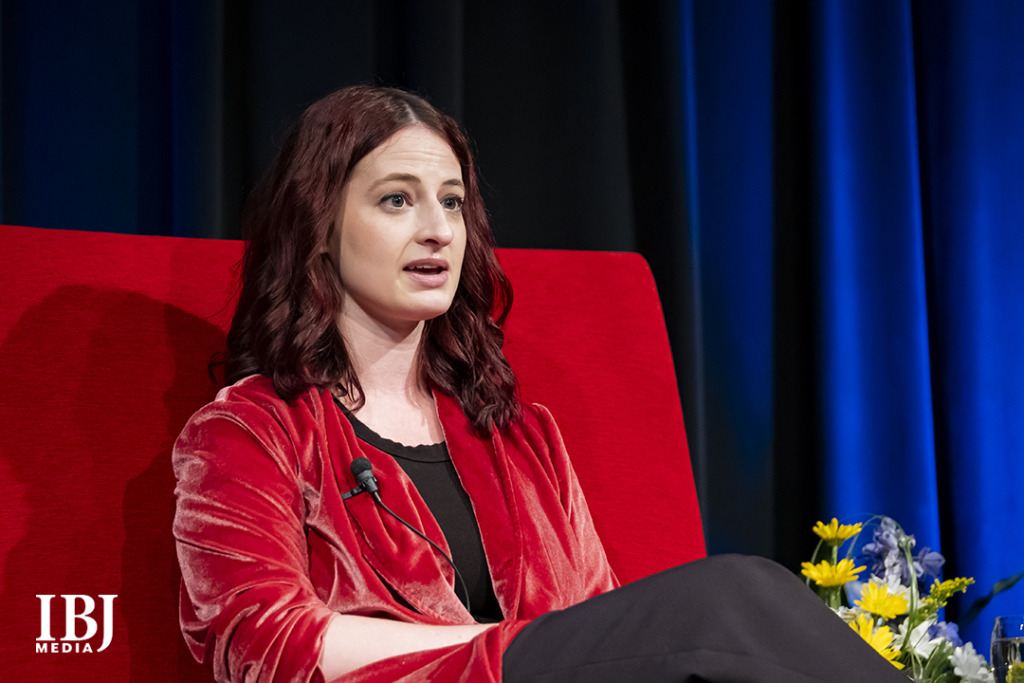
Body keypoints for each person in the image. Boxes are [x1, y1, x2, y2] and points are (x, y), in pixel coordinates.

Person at [172, 85, 908, 682]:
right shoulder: (248, 431)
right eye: (397, 199)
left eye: (451, 201)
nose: (438, 229)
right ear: (320, 231)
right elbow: (259, 641)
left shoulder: (518, 430)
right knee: (729, 596)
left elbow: (602, 620)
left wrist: (562, 648)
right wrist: (509, 648)